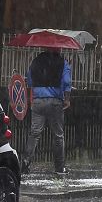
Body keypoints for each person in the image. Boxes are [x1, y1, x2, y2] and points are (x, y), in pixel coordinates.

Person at [21, 47, 72, 176]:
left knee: (35, 133)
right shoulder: (63, 62)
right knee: (58, 135)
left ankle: (25, 162)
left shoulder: (36, 61)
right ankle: (59, 168)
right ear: (58, 49)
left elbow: (29, 80)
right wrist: (67, 98)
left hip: (38, 101)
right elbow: (66, 81)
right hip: (55, 101)